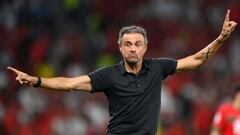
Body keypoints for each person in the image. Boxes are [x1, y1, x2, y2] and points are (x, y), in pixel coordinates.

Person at [8, 10, 237, 135]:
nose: (133, 48)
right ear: (120, 47)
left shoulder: (157, 67)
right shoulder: (108, 75)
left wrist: (221, 38)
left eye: (138, 43)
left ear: (145, 47)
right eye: (128, 44)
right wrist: (36, 80)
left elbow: (196, 61)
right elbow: (69, 83)